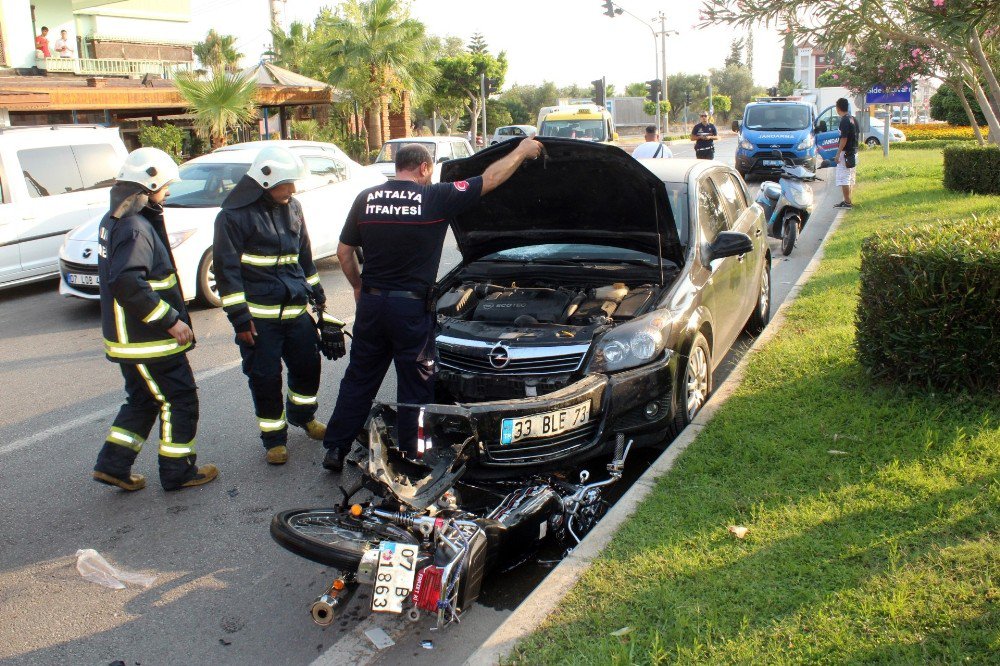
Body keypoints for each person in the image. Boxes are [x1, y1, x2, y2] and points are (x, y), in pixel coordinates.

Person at [321, 137, 544, 471]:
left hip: (371, 306)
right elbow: (493, 178)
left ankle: (335, 450)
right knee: (415, 383)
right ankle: (414, 454)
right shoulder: (434, 197)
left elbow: (343, 252)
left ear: (398, 168)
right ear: (424, 168)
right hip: (409, 311)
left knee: (359, 379)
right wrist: (523, 151)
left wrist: (357, 287)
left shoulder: (366, 198)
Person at [93, 148, 218, 492]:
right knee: (180, 399)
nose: (168, 192)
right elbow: (128, 282)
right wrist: (170, 321)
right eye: (165, 185)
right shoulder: (134, 226)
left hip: (129, 341)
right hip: (150, 340)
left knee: (144, 399)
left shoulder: (116, 218)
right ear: (149, 184)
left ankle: (113, 465)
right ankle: (179, 471)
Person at [214, 146, 336, 465]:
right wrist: (240, 321)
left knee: (308, 369)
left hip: (296, 314)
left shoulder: (292, 206)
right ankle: (274, 439)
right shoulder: (232, 217)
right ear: (265, 182)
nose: (292, 190)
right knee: (265, 378)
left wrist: (317, 294)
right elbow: (226, 273)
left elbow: (304, 257)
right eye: (286, 184)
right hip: (259, 321)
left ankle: (303, 417)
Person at [834, 97, 858, 209]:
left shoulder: (844, 120)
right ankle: (847, 200)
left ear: (838, 108)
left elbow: (844, 138)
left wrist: (838, 153)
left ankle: (847, 202)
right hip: (853, 152)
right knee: (850, 176)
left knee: (844, 178)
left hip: (846, 153)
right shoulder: (853, 119)